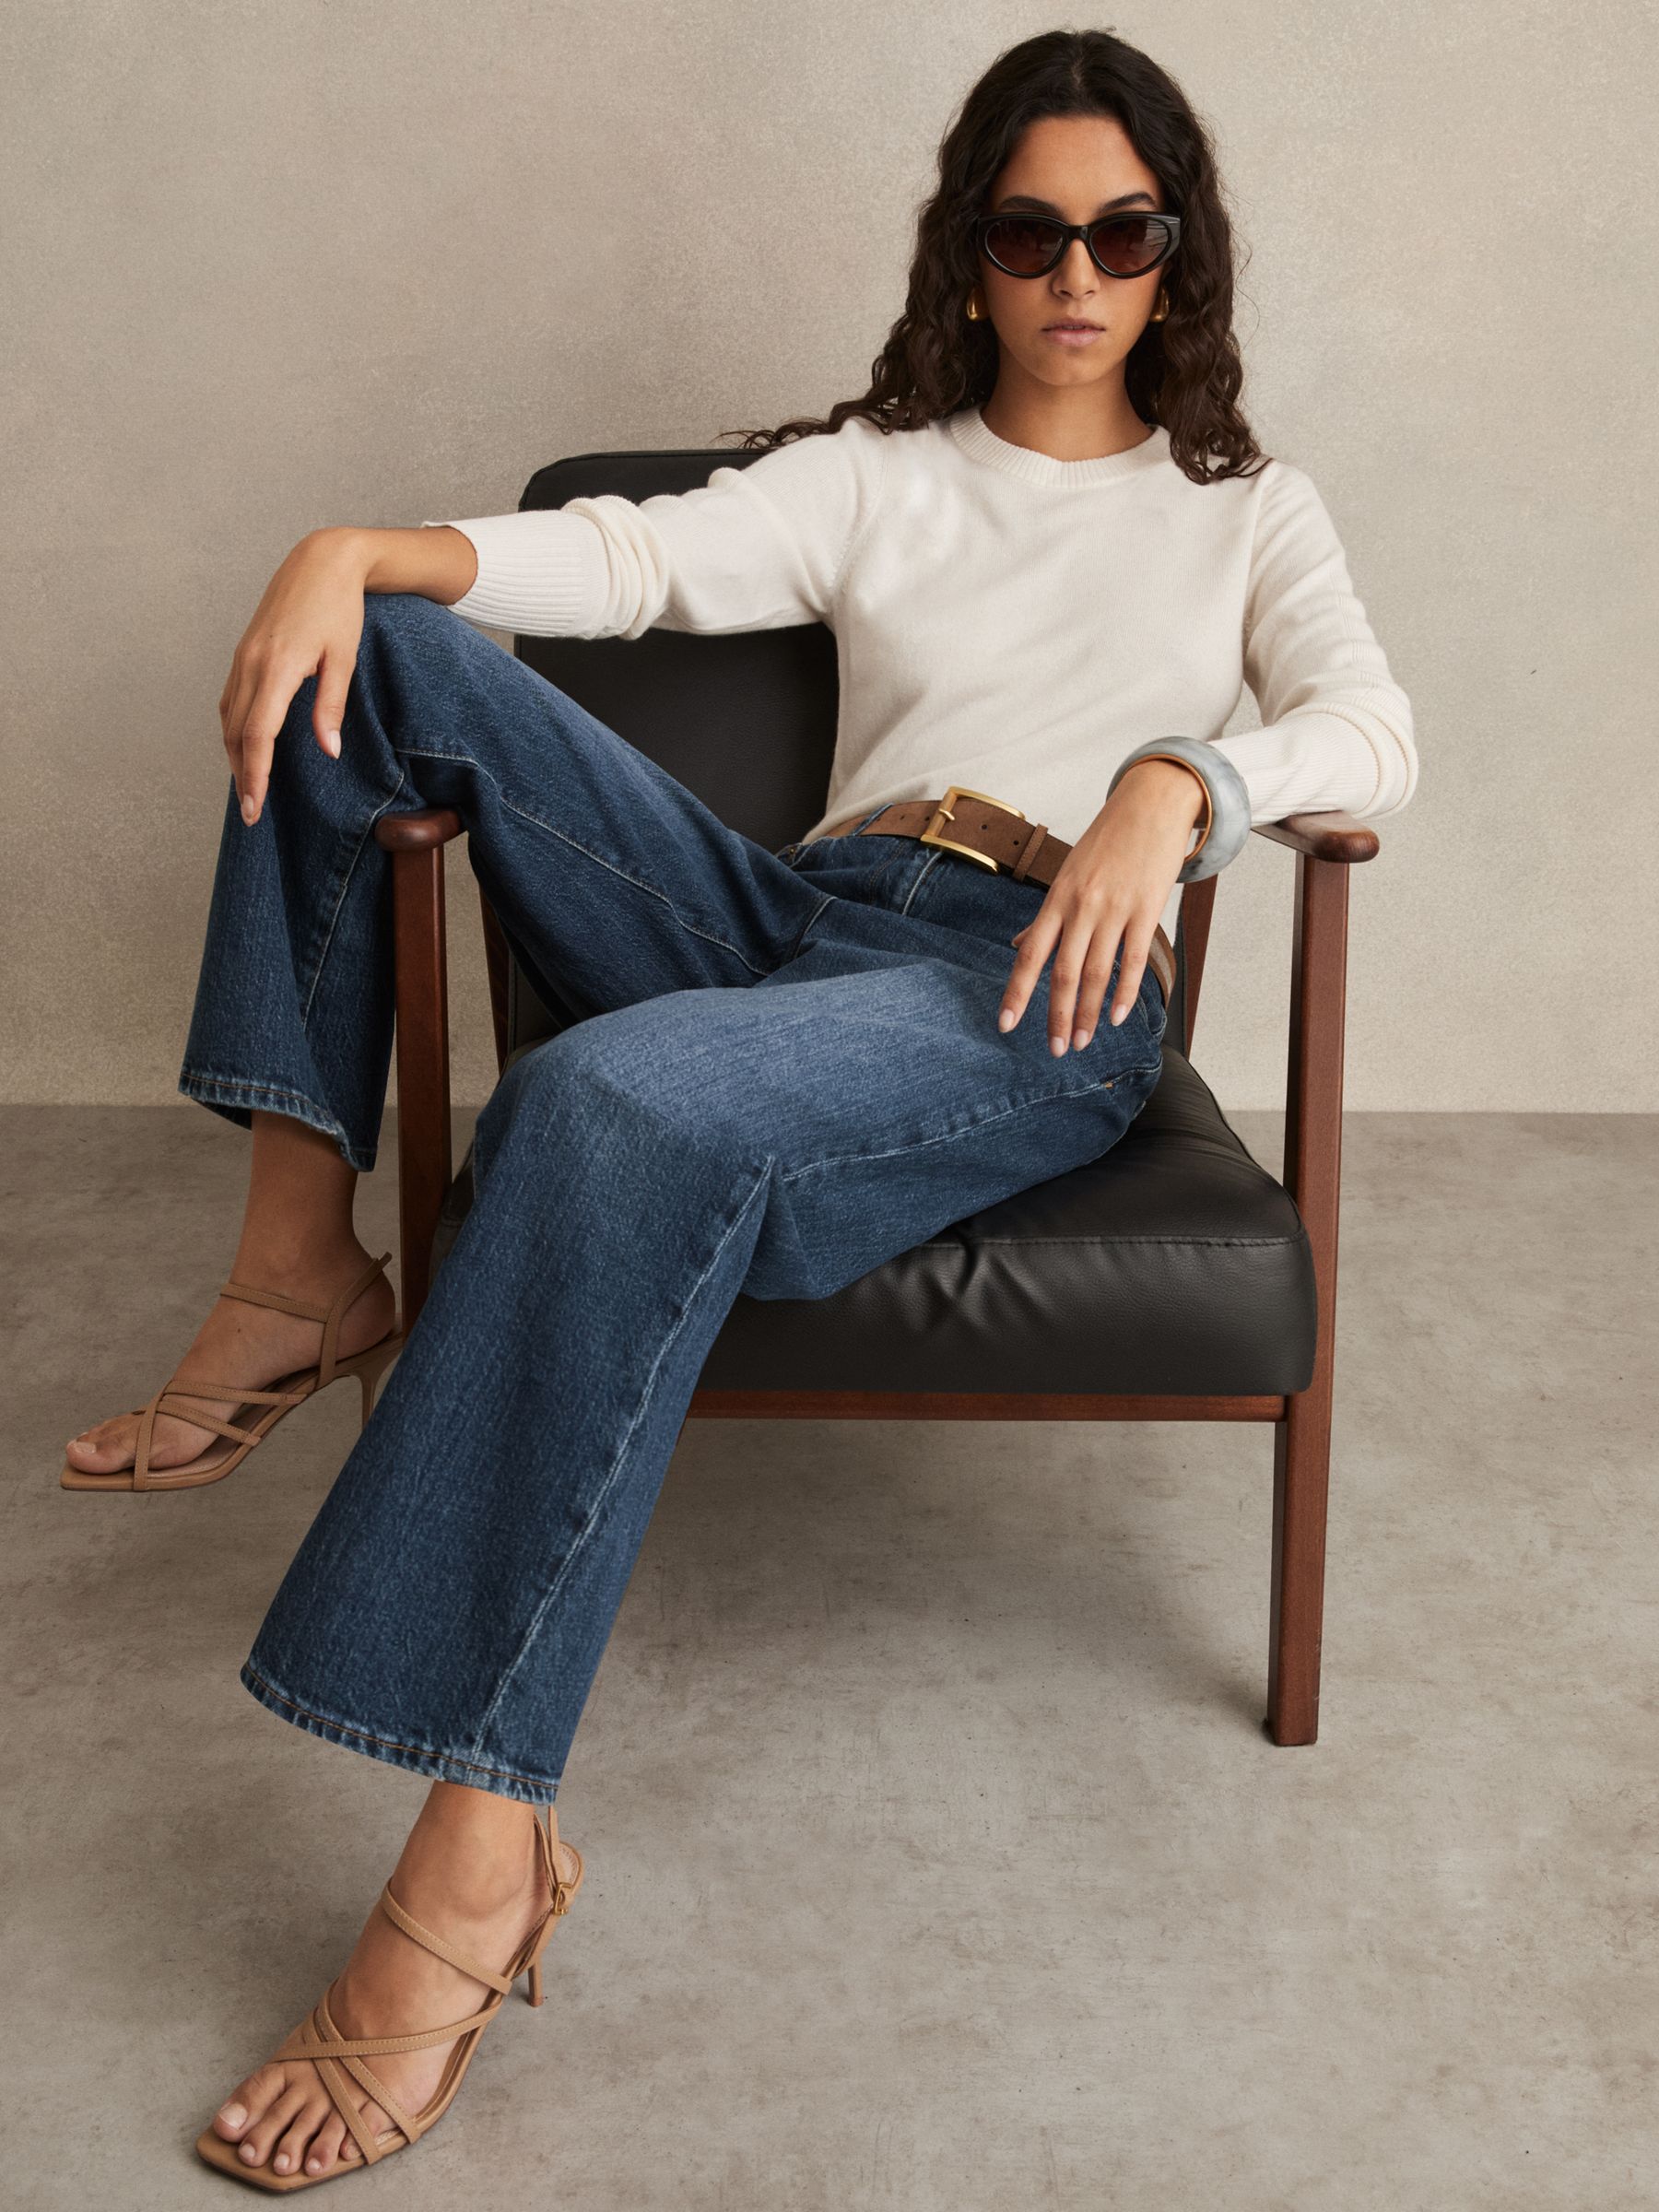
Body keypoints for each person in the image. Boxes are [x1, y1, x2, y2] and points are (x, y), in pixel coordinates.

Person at [61, 27, 1416, 2191]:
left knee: (595, 1107)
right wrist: (361, 544)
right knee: (389, 655)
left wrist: (1191, 782)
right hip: (798, 918)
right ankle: (297, 1262)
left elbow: (1375, 727)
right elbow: (634, 566)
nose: (1081, 273)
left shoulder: (1246, 510)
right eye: (1033, 231)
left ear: (1182, 259)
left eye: (1126, 233)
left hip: (1024, 984)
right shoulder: (883, 468)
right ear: (972, 259)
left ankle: (472, 1867)